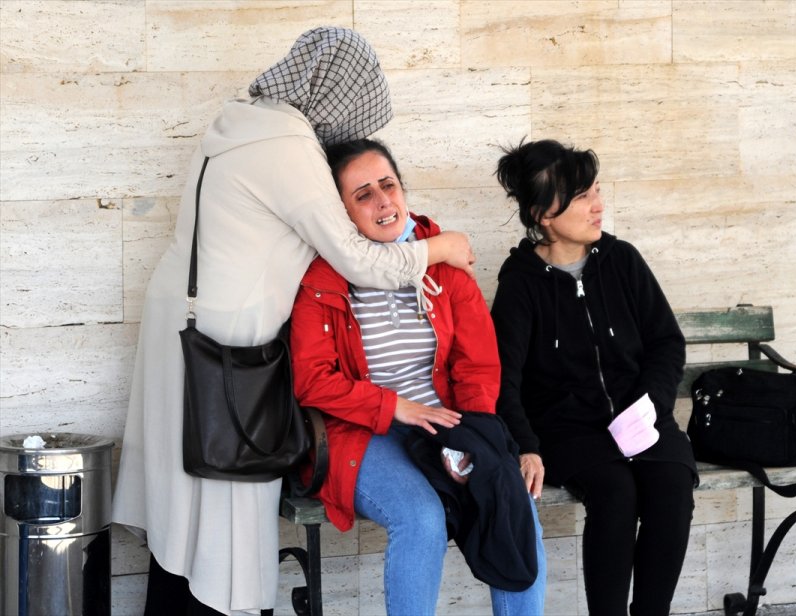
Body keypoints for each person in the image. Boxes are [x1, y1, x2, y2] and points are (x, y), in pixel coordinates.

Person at [111, 28, 475, 616]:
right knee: (224, 503)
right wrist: (440, 247)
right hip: (228, 340)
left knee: (187, 502)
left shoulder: (242, 121)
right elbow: (357, 260)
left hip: (184, 324)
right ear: (337, 93)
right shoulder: (288, 142)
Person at [290, 138, 546, 616]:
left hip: (445, 423)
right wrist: (394, 407)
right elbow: (312, 380)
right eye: (362, 194)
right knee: (421, 517)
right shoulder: (322, 280)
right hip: (361, 432)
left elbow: (477, 364)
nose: (382, 200)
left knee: (513, 502)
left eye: (387, 185)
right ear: (340, 213)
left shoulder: (443, 265)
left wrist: (471, 436)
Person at [490, 139, 697, 616]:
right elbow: (504, 376)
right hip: (569, 431)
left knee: (671, 487)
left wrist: (651, 406)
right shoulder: (521, 281)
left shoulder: (621, 260)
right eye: (583, 196)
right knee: (616, 494)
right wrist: (526, 444)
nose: (597, 205)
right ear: (543, 213)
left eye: (596, 191)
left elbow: (667, 342)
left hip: (642, 417)